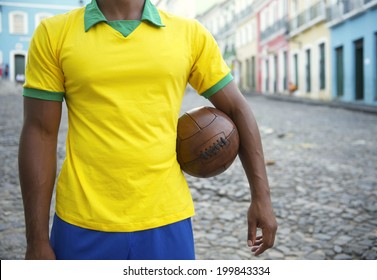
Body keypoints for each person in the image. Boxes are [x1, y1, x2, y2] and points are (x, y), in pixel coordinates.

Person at [19, 0, 277, 260]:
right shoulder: (54, 33)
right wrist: (36, 241)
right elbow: (40, 132)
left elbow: (236, 108)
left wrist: (261, 197)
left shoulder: (190, 34)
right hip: (81, 221)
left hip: (167, 220)